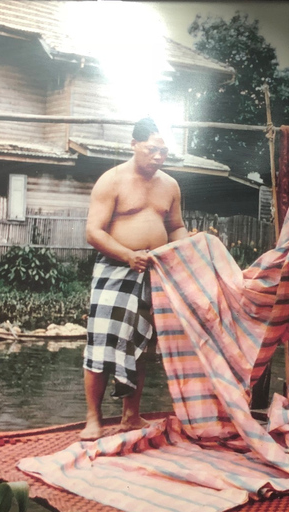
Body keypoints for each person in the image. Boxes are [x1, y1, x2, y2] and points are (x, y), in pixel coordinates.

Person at [80, 118, 188, 440]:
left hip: (155, 271)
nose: (158, 157)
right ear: (134, 144)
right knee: (101, 341)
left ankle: (131, 416)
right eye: (152, 149)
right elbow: (93, 232)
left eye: (163, 152)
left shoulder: (170, 185)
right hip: (116, 267)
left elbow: (176, 226)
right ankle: (93, 419)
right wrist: (127, 255)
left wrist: (187, 244)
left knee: (142, 344)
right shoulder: (111, 181)